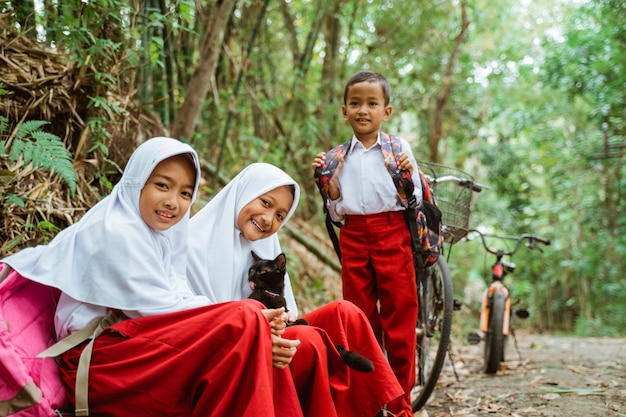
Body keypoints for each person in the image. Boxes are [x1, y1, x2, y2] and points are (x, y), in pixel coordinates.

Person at [1, 137, 303, 417]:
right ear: (137, 182)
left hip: (129, 349)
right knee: (244, 320)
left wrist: (253, 329)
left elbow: (179, 293)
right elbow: (158, 308)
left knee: (247, 325)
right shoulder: (117, 231)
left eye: (185, 193)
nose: (174, 201)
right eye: (162, 185)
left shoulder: (162, 237)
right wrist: (249, 327)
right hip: (95, 362)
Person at [186, 162, 405, 417]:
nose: (269, 219)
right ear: (244, 192)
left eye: (280, 215)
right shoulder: (194, 245)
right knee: (308, 341)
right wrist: (258, 337)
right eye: (265, 203)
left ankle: (382, 411)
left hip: (267, 336)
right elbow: (200, 330)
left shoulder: (267, 246)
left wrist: (276, 327)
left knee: (345, 313)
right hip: (234, 353)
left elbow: (287, 313)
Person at [311, 70, 422, 416]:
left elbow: (414, 198)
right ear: (344, 111)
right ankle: (368, 404)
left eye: (372, 104)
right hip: (355, 235)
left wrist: (406, 174)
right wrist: (327, 183)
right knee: (359, 322)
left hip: (393, 234)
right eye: (355, 103)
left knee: (400, 321)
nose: (363, 110)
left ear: (385, 112)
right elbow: (335, 208)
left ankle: (402, 406)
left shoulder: (398, 149)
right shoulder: (337, 157)